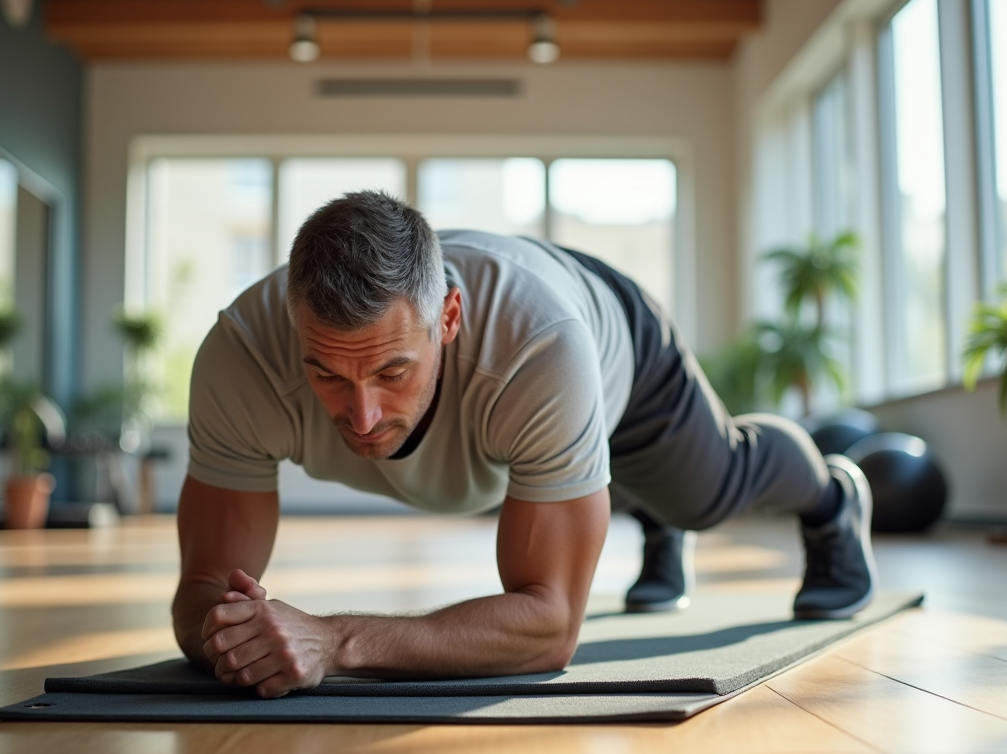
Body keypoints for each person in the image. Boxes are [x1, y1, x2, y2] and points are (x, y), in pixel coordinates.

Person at [172, 190, 876, 698]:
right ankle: (624, 501)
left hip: (612, 340)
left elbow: (548, 627)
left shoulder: (539, 345)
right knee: (614, 491)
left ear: (448, 317)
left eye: (392, 371)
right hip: (537, 391)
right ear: (291, 329)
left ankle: (831, 498)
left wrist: (334, 638)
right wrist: (238, 635)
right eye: (326, 372)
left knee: (710, 491)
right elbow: (199, 593)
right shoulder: (243, 357)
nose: (361, 416)